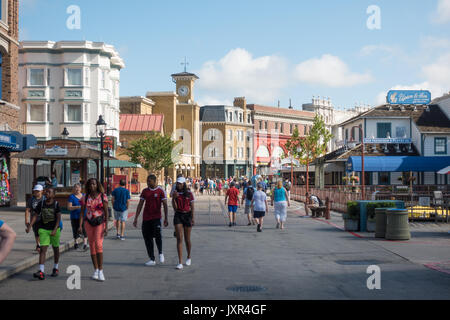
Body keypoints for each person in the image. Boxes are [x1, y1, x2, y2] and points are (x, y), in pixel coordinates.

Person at [26, 188, 61, 280]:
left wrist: (55, 229)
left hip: (54, 230)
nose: (47, 193)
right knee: (43, 249)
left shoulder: (56, 204)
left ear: (53, 194)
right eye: (46, 192)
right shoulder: (41, 203)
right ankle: (41, 271)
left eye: (49, 192)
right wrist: (30, 226)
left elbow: (58, 218)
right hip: (44, 229)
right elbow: (35, 215)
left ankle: (55, 268)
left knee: (56, 248)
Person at [134, 175, 168, 266]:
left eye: (149, 181)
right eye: (147, 181)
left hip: (156, 217)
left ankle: (160, 252)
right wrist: (136, 218)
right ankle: (152, 259)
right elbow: (140, 204)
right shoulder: (145, 191)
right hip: (146, 218)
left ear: (154, 181)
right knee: (147, 238)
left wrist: (166, 218)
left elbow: (165, 205)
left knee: (157, 235)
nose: (148, 183)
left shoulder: (161, 191)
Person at [79, 178, 108, 282]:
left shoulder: (102, 196)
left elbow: (106, 211)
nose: (92, 186)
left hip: (99, 222)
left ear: (97, 185)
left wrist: (106, 226)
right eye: (90, 184)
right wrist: (80, 225)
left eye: (94, 184)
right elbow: (82, 212)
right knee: (91, 245)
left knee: (98, 245)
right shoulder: (85, 197)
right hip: (88, 223)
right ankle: (95, 270)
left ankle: (101, 270)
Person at [172, 177, 195, 270]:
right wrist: (174, 199)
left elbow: (192, 206)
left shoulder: (189, 194)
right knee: (179, 239)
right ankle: (180, 262)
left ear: (184, 184)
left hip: (187, 216)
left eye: (180, 183)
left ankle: (189, 257)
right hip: (178, 215)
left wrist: (193, 217)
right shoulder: (175, 194)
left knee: (187, 239)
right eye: (177, 183)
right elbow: (175, 208)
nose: (179, 185)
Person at [68, 183, 88, 251]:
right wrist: (77, 207)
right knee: (75, 229)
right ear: (73, 189)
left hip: (84, 216)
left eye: (78, 187)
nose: (77, 189)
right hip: (74, 216)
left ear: (81, 189)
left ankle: (85, 244)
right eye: (75, 187)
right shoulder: (71, 197)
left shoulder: (84, 196)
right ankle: (76, 243)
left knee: (84, 229)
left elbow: (88, 205)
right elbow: (69, 207)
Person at [25, 184, 45, 253]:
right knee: (36, 233)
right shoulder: (31, 200)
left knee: (42, 233)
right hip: (34, 220)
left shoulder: (44, 199)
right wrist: (26, 221)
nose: (36, 192)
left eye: (38, 191)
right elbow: (27, 210)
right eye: (35, 191)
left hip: (43, 219)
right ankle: (38, 245)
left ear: (42, 191)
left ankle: (41, 245)